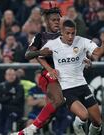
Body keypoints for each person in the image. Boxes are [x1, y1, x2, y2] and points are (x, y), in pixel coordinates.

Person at [40, 19, 104, 135]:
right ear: (61, 32)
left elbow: (99, 53)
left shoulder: (82, 42)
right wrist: (50, 69)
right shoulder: (52, 44)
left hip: (82, 85)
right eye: (67, 33)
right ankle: (77, 125)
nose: (70, 36)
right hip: (66, 88)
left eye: (73, 33)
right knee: (84, 115)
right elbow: (39, 56)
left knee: (98, 122)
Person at [18, 5, 64, 135]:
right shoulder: (40, 37)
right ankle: (29, 130)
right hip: (48, 73)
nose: (56, 22)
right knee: (58, 100)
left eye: (58, 20)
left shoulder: (65, 36)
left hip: (66, 75)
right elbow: (27, 55)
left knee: (51, 114)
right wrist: (40, 51)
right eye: (53, 20)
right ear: (47, 22)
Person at [0, 68, 24, 135]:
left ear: (15, 76)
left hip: (16, 110)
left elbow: (17, 100)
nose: (11, 76)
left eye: (13, 75)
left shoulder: (19, 86)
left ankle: (8, 132)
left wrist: (5, 97)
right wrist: (11, 96)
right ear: (5, 76)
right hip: (4, 110)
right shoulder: (1, 86)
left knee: (10, 116)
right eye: (9, 74)